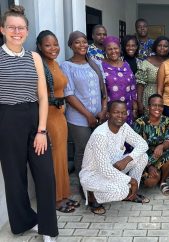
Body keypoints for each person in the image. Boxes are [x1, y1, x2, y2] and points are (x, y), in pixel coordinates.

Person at [0, 5, 58, 241]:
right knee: (14, 178)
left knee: (45, 176)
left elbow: (43, 96)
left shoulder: (34, 57)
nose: (16, 32)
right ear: (2, 29)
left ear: (26, 30)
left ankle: (48, 229)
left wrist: (41, 130)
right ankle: (23, 222)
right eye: (12, 27)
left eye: (21, 28)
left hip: (35, 118)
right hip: (7, 120)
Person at [80, 100, 150, 215]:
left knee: (143, 156)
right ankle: (93, 196)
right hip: (94, 175)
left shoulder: (124, 127)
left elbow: (143, 144)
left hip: (115, 167)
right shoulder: (100, 135)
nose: (120, 116)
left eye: (123, 113)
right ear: (108, 114)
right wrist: (131, 180)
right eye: (116, 112)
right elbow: (105, 170)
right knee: (122, 190)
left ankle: (132, 193)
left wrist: (126, 159)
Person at [36, 30, 80, 213]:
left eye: (55, 44)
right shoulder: (39, 65)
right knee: (54, 159)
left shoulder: (54, 63)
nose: (53, 48)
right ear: (39, 46)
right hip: (50, 117)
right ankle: (54, 199)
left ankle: (63, 194)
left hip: (60, 116)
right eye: (48, 45)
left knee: (61, 158)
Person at [61, 31, 107, 188]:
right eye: (77, 42)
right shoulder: (66, 66)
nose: (82, 45)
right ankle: (84, 186)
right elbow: (69, 94)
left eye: (84, 42)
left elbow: (103, 89)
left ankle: (96, 181)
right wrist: (88, 115)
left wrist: (104, 109)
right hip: (79, 118)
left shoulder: (94, 63)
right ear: (70, 45)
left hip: (99, 116)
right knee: (83, 150)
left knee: (98, 150)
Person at [133, 94, 169, 195]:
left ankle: (163, 181)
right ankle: (156, 173)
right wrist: (149, 166)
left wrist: (161, 146)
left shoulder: (167, 121)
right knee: (150, 182)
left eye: (160, 105)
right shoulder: (140, 122)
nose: (157, 108)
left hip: (159, 155)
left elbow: (168, 141)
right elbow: (137, 147)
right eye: (154, 105)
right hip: (143, 157)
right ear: (148, 107)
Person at [101, 35, 138, 126]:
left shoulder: (126, 65)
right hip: (111, 110)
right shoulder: (101, 66)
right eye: (109, 49)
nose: (113, 51)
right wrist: (104, 109)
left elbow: (133, 86)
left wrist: (135, 106)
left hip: (127, 108)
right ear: (105, 50)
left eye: (115, 48)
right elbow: (101, 91)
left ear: (119, 49)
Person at [136, 36, 169, 115]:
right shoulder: (146, 62)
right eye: (159, 45)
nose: (162, 48)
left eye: (165, 46)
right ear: (155, 47)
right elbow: (140, 84)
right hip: (149, 97)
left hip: (168, 99)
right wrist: (139, 102)